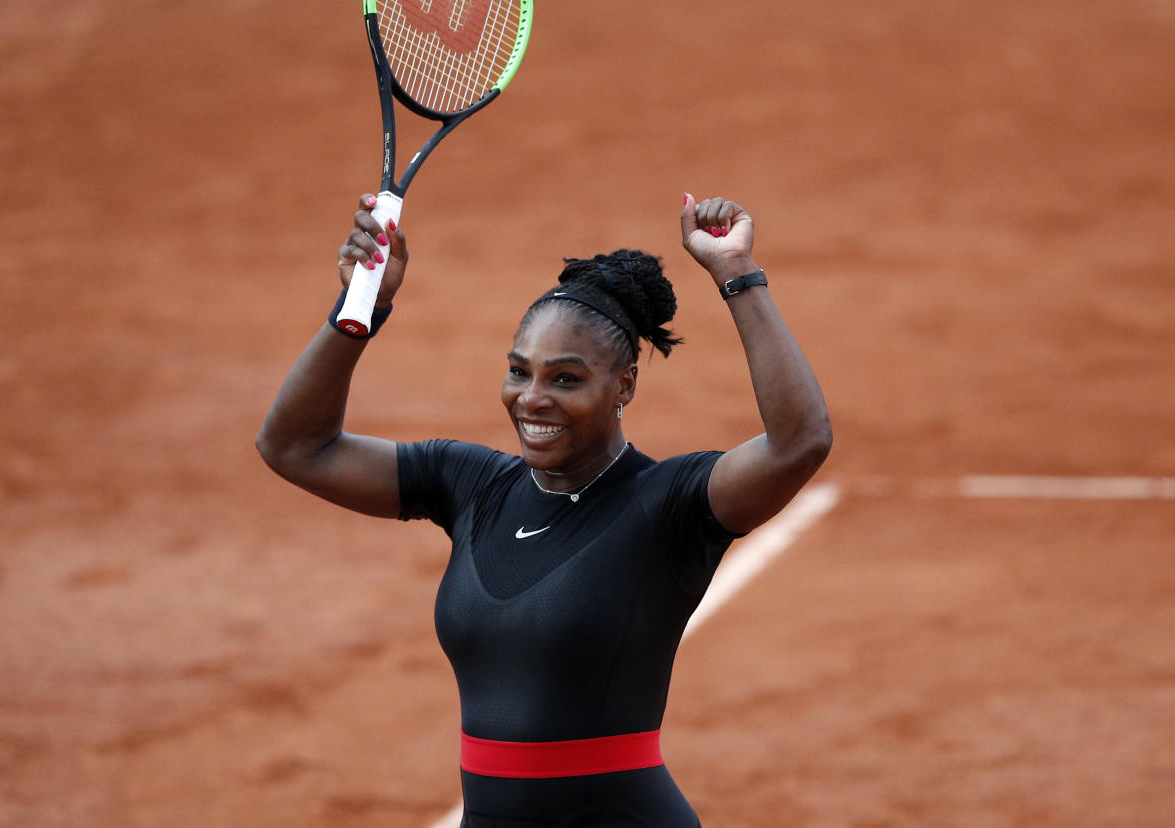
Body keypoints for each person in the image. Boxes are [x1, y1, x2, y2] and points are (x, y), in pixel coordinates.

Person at [256, 192, 832, 826]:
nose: (532, 399)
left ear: (625, 385)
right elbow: (294, 447)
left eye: (565, 379)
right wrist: (361, 306)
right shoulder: (470, 484)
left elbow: (798, 443)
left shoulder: (669, 505)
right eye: (519, 372)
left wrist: (736, 273)